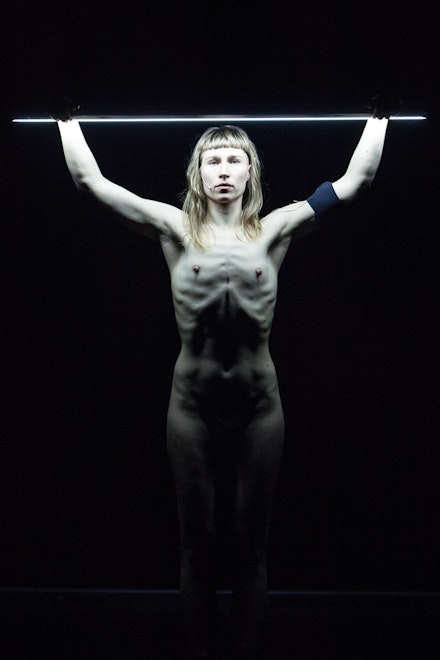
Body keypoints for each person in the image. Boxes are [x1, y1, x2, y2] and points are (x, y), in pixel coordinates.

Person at [56, 107, 389, 658]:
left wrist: (380, 116)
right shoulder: (174, 228)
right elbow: (92, 183)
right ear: (199, 173)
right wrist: (65, 121)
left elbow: (356, 182)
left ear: (250, 170)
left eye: (235, 159)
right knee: (198, 542)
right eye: (214, 161)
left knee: (252, 543)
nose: (225, 170)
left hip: (259, 406)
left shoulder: (276, 228)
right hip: (192, 407)